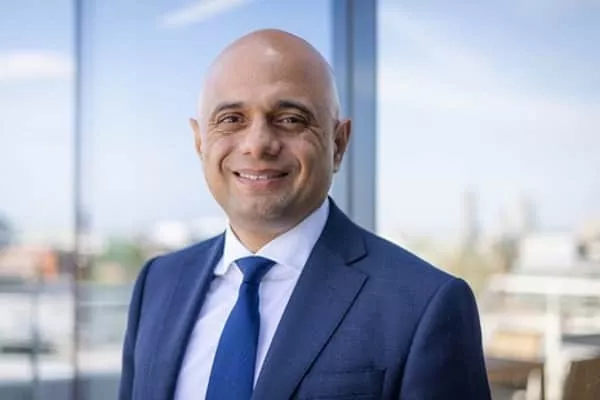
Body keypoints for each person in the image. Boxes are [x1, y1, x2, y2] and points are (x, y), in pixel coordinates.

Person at [118, 29, 491, 400]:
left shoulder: (424, 304)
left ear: (338, 144)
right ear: (200, 141)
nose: (258, 144)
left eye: (290, 119)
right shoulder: (158, 283)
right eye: (231, 119)